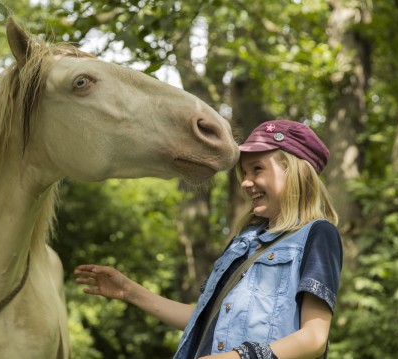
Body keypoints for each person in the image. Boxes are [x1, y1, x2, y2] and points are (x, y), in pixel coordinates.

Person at [75, 119, 342, 359]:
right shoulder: (245, 240)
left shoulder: (318, 234)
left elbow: (314, 338)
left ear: (294, 171)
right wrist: (129, 291)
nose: (246, 183)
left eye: (257, 169)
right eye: (245, 173)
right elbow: (205, 320)